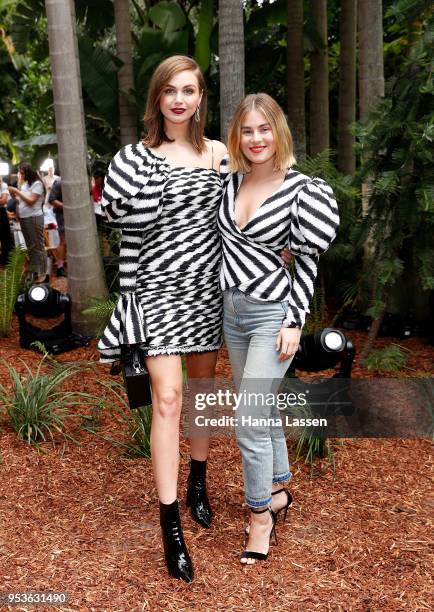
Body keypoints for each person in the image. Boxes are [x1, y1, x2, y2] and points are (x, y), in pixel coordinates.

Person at [98, 55, 227, 583]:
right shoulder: (134, 157)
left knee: (200, 390)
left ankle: (198, 475)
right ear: (158, 98)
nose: (180, 99)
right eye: (171, 90)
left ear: (200, 99)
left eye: (190, 90)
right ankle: (169, 521)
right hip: (155, 289)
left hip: (206, 288)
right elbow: (112, 213)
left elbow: (241, 217)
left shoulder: (220, 154)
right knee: (167, 398)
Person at [218, 93, 340, 565]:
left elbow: (306, 263)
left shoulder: (301, 189)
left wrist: (294, 319)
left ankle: (259, 518)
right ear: (238, 136)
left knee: (248, 417)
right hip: (232, 313)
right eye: (247, 130)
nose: (256, 139)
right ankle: (278, 489)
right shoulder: (229, 184)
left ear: (279, 132)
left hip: (273, 313)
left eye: (264, 129)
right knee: (263, 410)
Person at [8, 162, 48, 283]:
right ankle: (33, 271)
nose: (20, 174)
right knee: (30, 247)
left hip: (34, 218)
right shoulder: (25, 185)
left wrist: (16, 190)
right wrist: (14, 194)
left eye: (21, 172)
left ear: (27, 173)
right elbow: (21, 201)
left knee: (38, 246)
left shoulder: (38, 184)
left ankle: (43, 273)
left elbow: (31, 201)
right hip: (25, 218)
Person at [48, 178, 67, 276]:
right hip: (62, 216)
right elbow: (51, 199)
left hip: (75, 216)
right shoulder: (59, 183)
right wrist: (67, 206)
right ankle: (60, 267)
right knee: (63, 241)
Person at [0, 177, 13, 265]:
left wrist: (1, 200)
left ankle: (6, 264)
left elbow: (3, 201)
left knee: (5, 239)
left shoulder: (3, 185)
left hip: (1, 213)